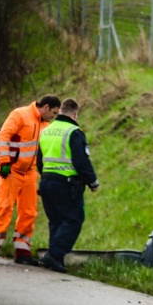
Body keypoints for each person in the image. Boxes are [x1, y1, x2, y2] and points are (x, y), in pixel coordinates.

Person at [0, 95, 62, 265]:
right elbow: (4, 135)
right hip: (10, 171)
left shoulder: (46, 126)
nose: (54, 117)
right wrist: (5, 161)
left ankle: (22, 251)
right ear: (46, 107)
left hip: (29, 175)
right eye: (54, 113)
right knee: (4, 206)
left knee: (29, 212)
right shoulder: (20, 115)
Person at [37, 98, 99, 273]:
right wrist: (92, 181)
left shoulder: (46, 131)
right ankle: (54, 254)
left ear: (61, 111)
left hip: (46, 182)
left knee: (56, 221)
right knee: (73, 220)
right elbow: (81, 161)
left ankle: (56, 260)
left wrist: (45, 177)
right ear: (75, 114)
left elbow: (39, 161)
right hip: (66, 184)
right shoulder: (74, 132)